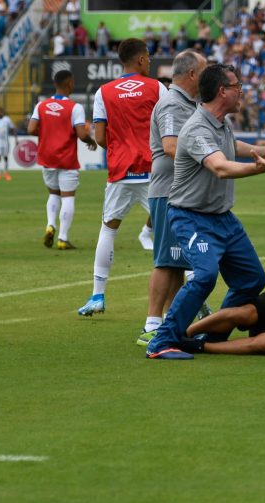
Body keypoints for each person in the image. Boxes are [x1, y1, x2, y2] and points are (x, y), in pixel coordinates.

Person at [144, 64, 265, 360]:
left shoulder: (220, 123)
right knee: (205, 275)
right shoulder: (197, 127)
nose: (241, 90)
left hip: (222, 218)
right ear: (221, 91)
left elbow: (230, 146)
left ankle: (211, 337)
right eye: (237, 85)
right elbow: (219, 166)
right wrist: (257, 168)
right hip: (191, 217)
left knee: (251, 279)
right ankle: (161, 340)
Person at [77, 38, 167, 317]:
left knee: (108, 229)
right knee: (172, 235)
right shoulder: (157, 88)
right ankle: (193, 300)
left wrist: (119, 150)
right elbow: (169, 128)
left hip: (120, 171)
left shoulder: (103, 92)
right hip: (154, 171)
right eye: (148, 56)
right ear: (140, 59)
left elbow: (100, 137)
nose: (150, 61)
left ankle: (97, 296)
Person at [137, 50, 211, 346]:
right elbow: (170, 146)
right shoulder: (171, 104)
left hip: (178, 191)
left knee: (176, 262)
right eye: (204, 71)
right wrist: (209, 155)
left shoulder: (186, 103)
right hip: (168, 190)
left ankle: (171, 323)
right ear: (192, 74)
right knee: (166, 262)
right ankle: (151, 325)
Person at [28, 69, 97, 249]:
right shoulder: (75, 107)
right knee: (68, 197)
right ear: (69, 83)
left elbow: (31, 129)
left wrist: (46, 134)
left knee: (53, 193)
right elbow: (82, 134)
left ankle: (51, 225)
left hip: (47, 157)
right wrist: (91, 141)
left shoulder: (41, 105)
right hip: (66, 159)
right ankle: (63, 238)